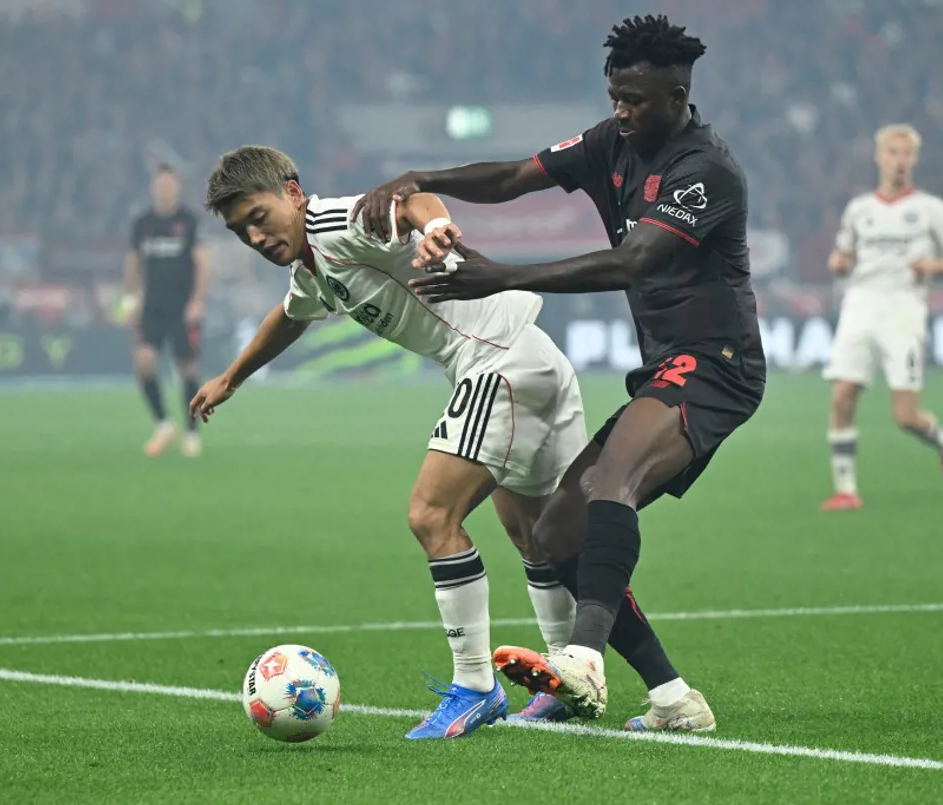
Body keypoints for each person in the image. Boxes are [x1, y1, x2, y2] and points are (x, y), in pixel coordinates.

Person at [354, 15, 759, 728]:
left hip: (717, 364)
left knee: (611, 480)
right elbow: (514, 177)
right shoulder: (610, 143)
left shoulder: (705, 171)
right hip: (666, 366)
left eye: (635, 100)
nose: (621, 112)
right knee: (558, 532)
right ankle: (672, 697)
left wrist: (502, 275)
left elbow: (634, 261)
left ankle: (583, 661)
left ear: (677, 94)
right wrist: (421, 178)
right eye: (614, 97)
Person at [191, 145, 583, 741]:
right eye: (241, 230)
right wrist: (232, 377)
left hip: (498, 360)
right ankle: (568, 680)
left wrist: (437, 227)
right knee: (536, 534)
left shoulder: (333, 223)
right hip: (528, 355)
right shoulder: (312, 266)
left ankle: (476, 685)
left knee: (432, 515)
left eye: (258, 217)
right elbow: (293, 315)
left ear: (292, 194)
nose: (255, 237)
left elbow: (412, 202)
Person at [819, 124, 943, 512]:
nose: (899, 160)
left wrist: (933, 265)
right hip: (860, 305)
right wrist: (839, 262)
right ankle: (846, 490)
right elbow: (842, 254)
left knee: (905, 416)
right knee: (842, 395)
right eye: (892, 152)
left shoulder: (930, 209)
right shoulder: (860, 210)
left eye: (906, 153)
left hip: (904, 310)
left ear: (914, 160)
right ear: (879, 157)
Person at [123, 165, 210, 458]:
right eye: (160, 186)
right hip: (152, 307)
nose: (164, 191)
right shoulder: (143, 223)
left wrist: (197, 301)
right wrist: (130, 298)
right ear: (153, 189)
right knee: (144, 362)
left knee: (187, 368)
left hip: (181, 307)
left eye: (169, 186)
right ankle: (163, 424)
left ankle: (192, 432)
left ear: (177, 188)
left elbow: (202, 263)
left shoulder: (188, 222)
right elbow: (133, 263)